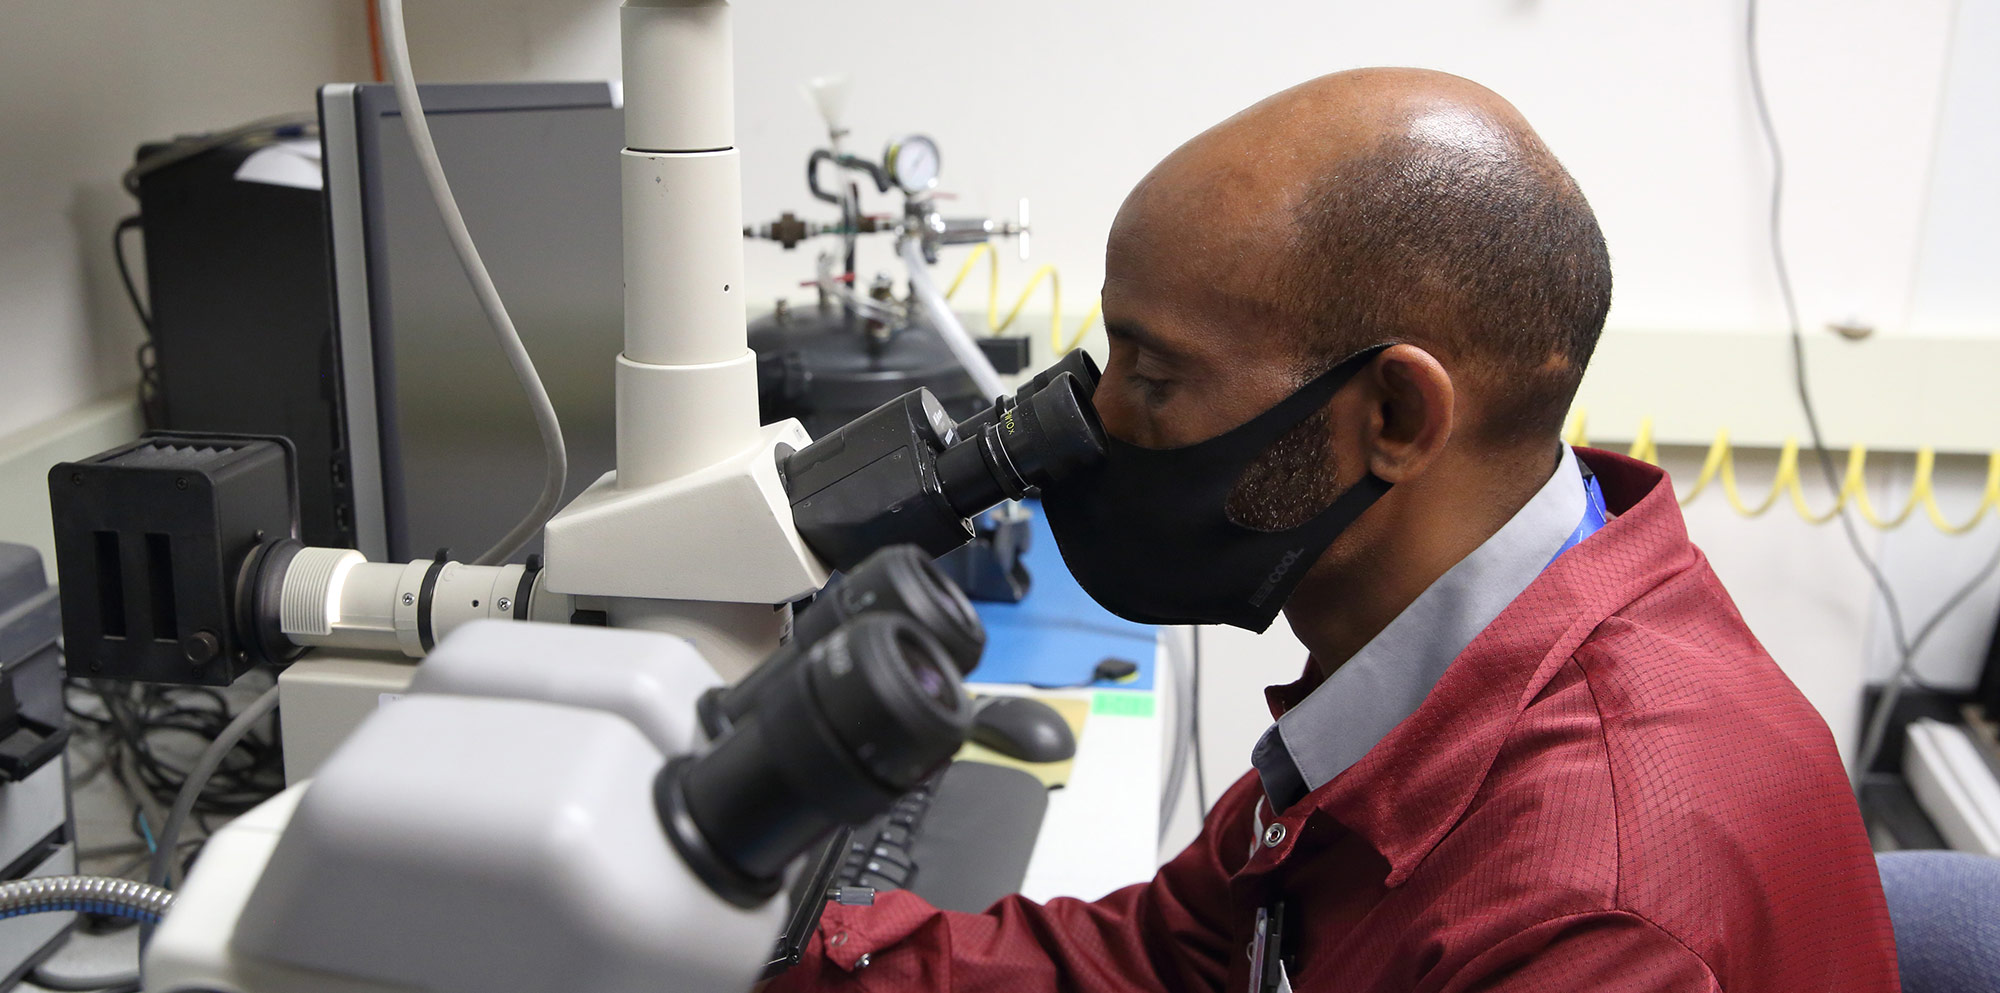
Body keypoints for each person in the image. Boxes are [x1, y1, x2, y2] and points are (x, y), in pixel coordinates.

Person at [771, 68, 1897, 992]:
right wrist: (775, 961)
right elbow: (1171, 960)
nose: (1096, 421)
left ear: (1395, 418)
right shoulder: (1435, 661)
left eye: (1153, 376)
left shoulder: (1589, 919)